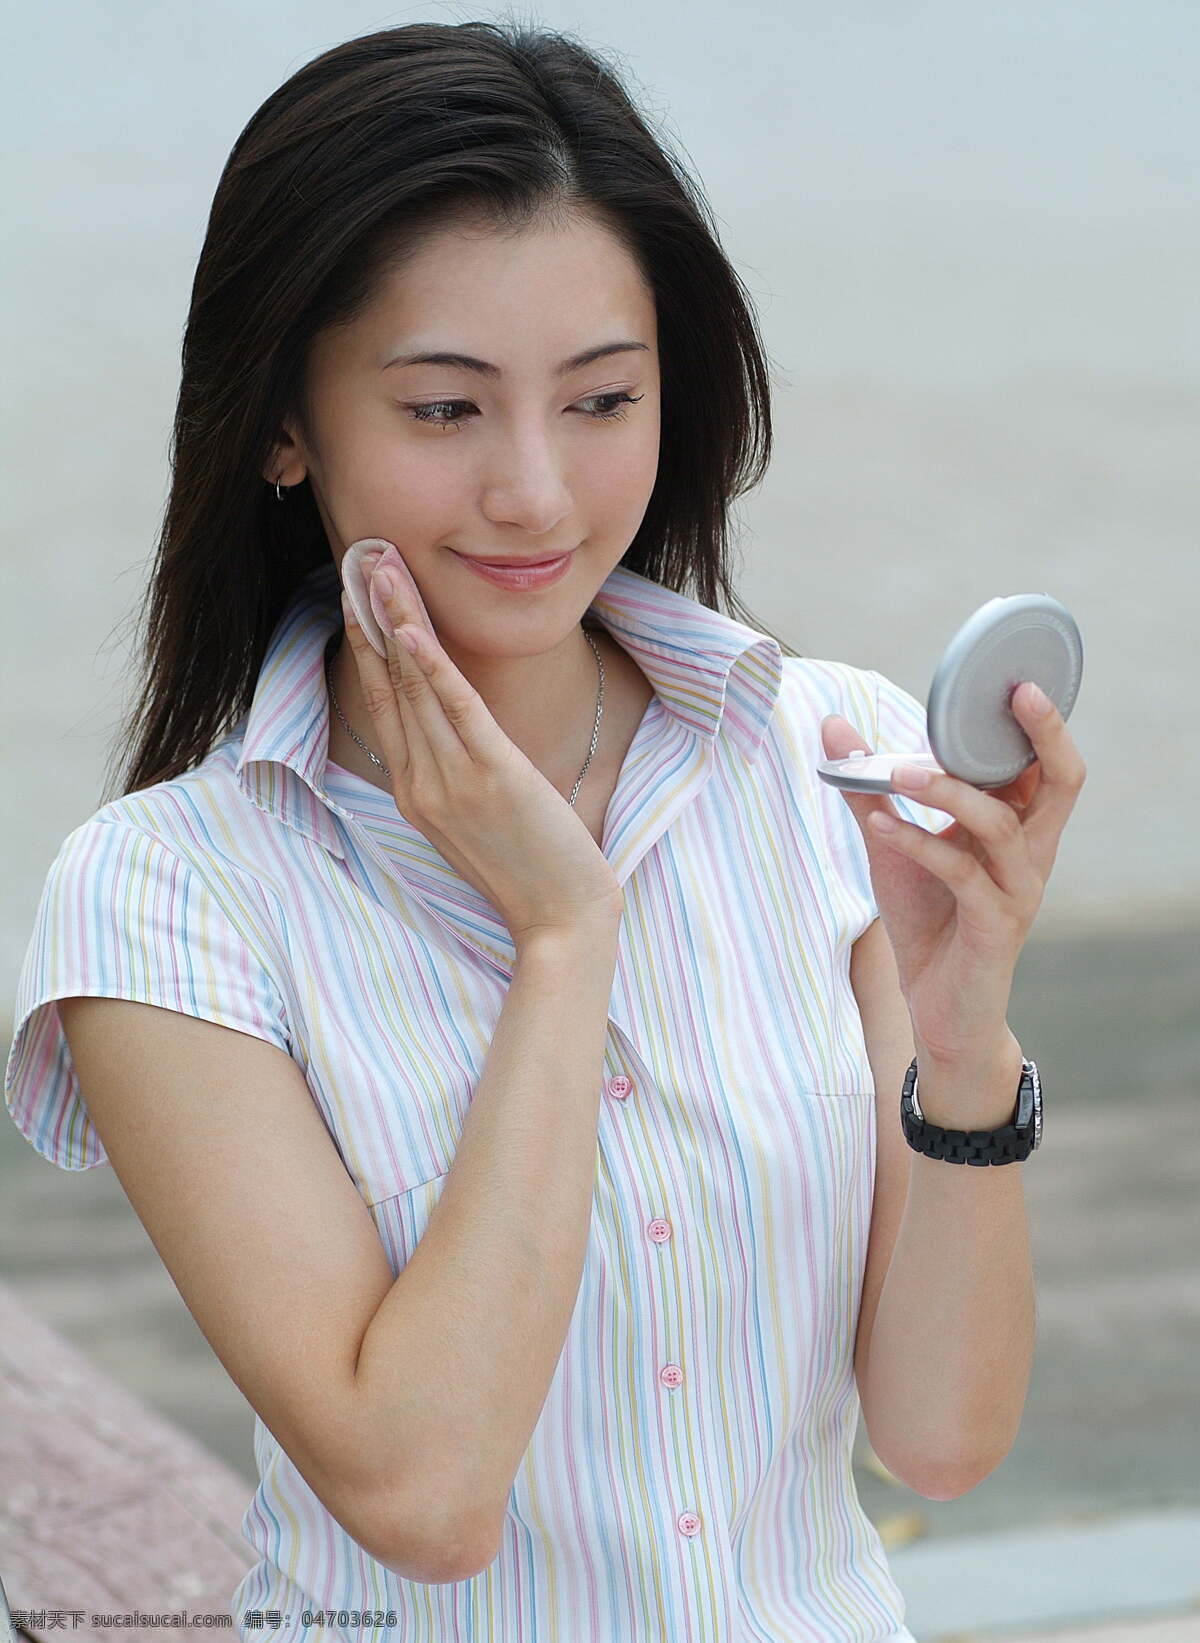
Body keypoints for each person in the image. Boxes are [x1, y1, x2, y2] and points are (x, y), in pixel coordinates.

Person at [6, 19, 1083, 1643]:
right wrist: (562, 939)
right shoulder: (170, 896)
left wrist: (961, 1034)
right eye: (445, 410)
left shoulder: (818, 757)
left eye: (600, 400)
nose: (536, 491)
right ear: (286, 427)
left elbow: (941, 1437)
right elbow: (422, 1499)